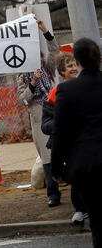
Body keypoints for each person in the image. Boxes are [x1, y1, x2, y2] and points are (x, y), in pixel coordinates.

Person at [51, 38, 102, 248]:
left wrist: (57, 168)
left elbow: (59, 132)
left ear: (78, 61)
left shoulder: (68, 91)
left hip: (88, 166)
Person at [17, 16, 61, 207]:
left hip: (54, 113)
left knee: (62, 154)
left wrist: (45, 31)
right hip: (38, 119)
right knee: (47, 159)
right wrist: (33, 83)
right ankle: (53, 195)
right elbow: (24, 99)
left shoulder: (48, 69)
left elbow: (55, 51)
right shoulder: (22, 76)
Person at [41, 52, 88, 225]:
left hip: (86, 142)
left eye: (75, 64)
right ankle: (80, 210)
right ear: (61, 73)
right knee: (77, 177)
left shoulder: (87, 87)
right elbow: (45, 125)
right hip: (68, 145)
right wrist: (61, 124)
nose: (74, 68)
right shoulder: (55, 94)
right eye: (69, 66)